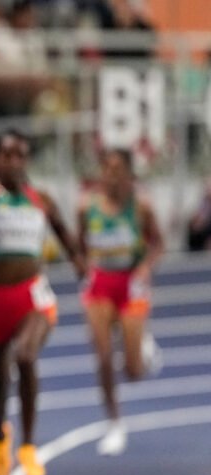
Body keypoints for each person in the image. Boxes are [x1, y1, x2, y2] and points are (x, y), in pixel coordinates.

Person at [0, 128, 85, 475]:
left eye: (19, 156)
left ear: (26, 160)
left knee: (25, 357)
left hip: (30, 297)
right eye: (6, 156)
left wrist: (78, 260)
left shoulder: (40, 198)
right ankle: (0, 436)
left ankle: (27, 445)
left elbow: (62, 231)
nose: (13, 162)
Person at [77, 148, 164, 455]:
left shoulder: (141, 206)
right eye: (107, 168)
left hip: (130, 284)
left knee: (133, 372)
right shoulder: (87, 206)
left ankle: (142, 343)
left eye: (118, 169)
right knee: (102, 358)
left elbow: (158, 243)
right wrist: (86, 268)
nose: (112, 175)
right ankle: (114, 424)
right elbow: (80, 244)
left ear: (129, 173)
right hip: (100, 284)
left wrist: (144, 267)